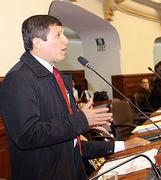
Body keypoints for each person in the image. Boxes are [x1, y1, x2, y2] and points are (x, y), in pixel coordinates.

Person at [0, 15, 148, 180]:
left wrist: (122, 145)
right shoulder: (19, 79)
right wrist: (81, 120)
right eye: (58, 35)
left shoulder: (56, 76)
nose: (66, 41)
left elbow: (72, 143)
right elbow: (27, 135)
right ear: (38, 42)